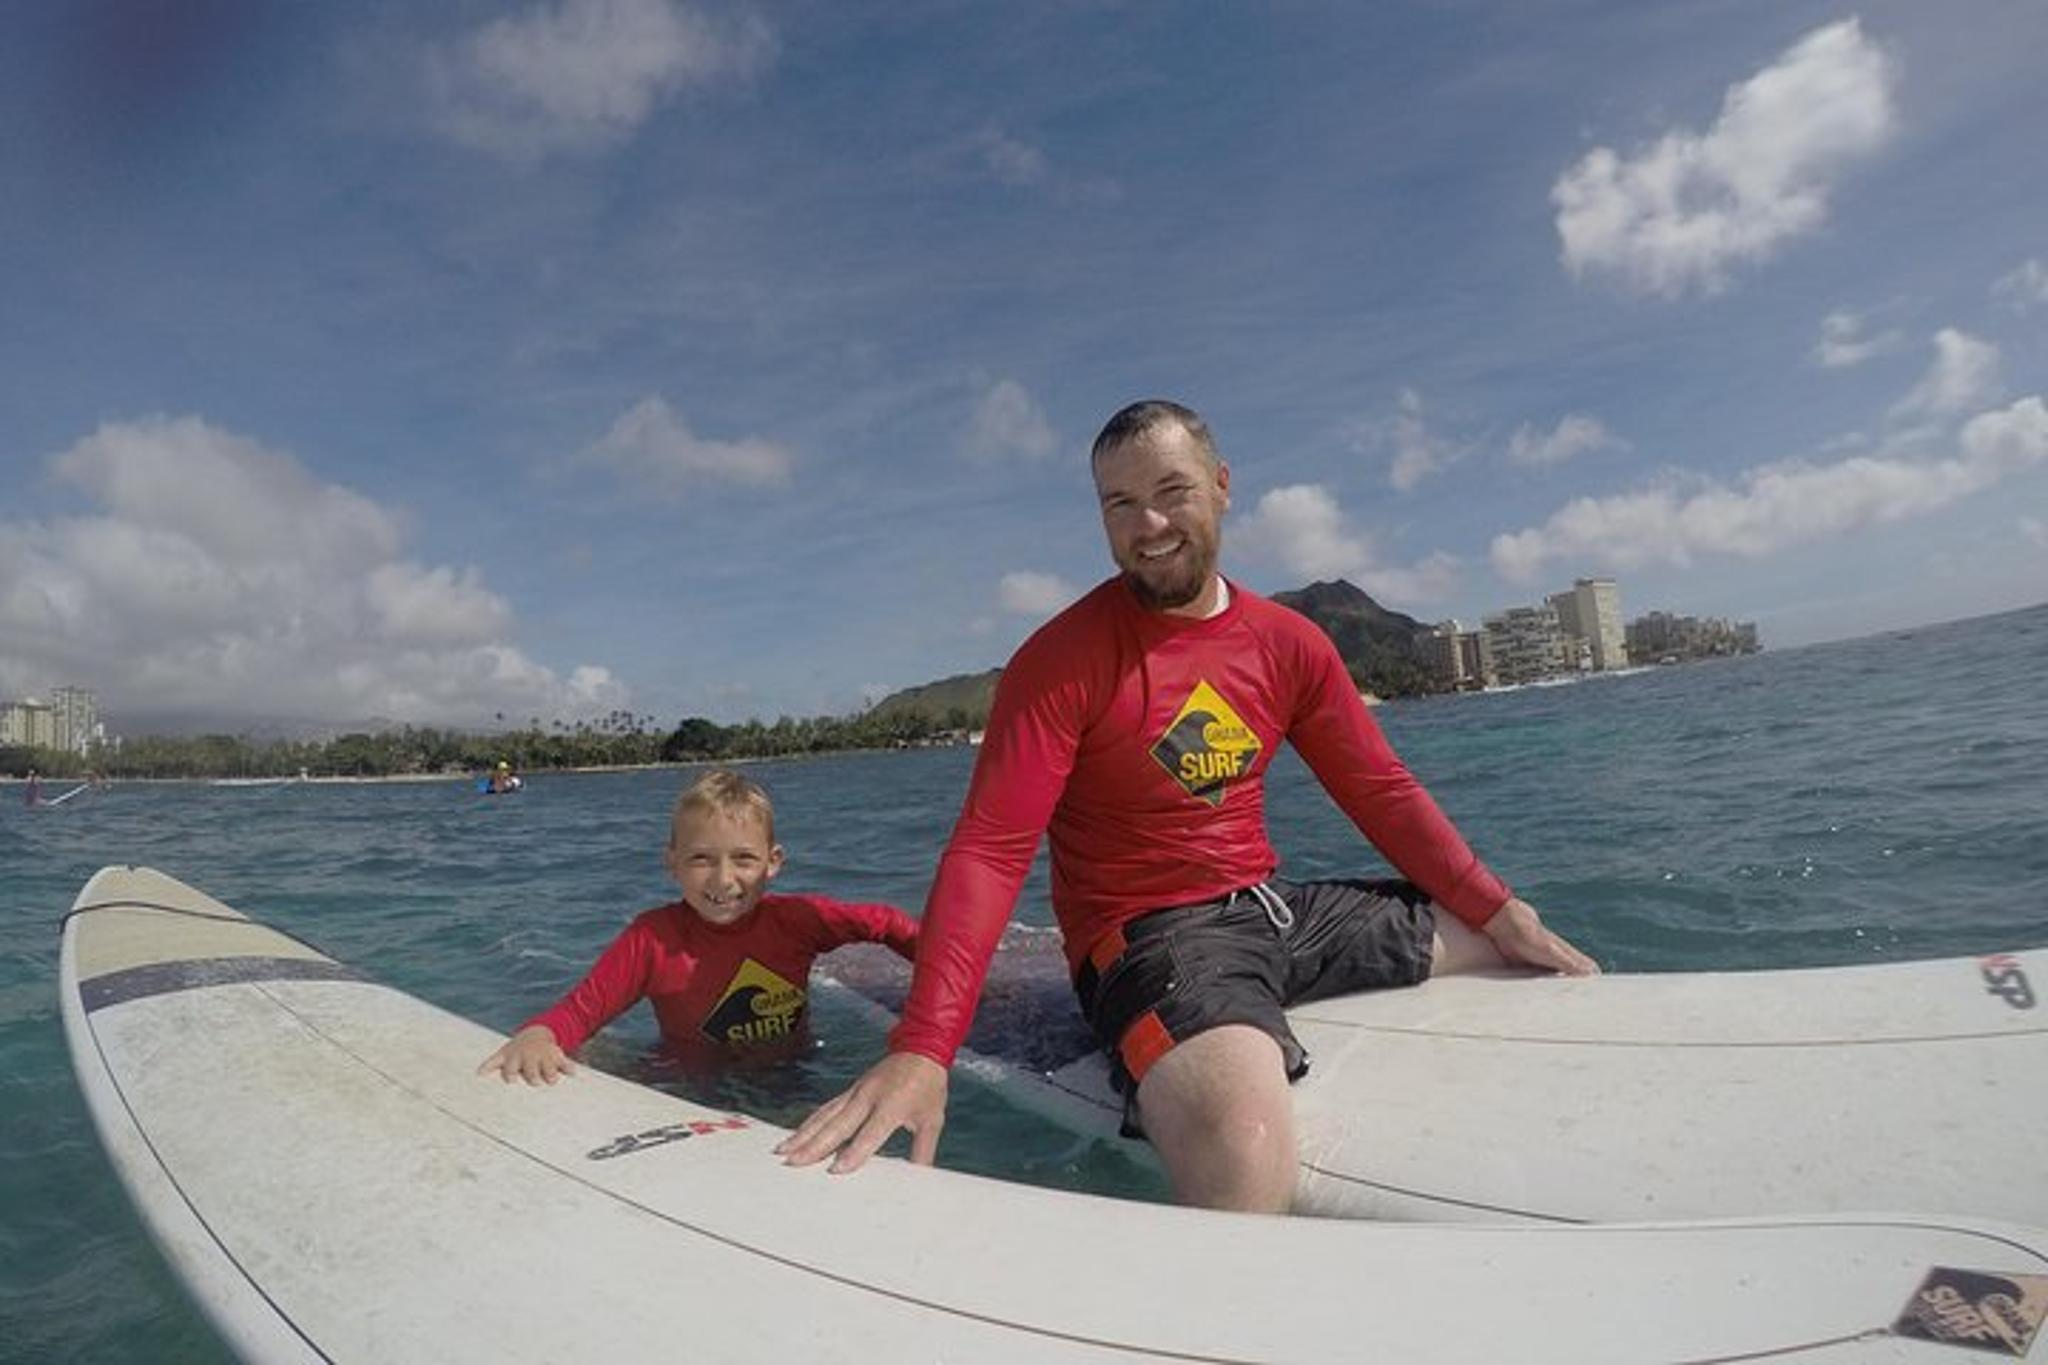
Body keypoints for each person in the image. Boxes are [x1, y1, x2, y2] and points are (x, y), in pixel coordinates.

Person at [778, 399, 1598, 1211]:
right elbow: (991, 850)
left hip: (1275, 913)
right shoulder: (1062, 660)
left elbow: (1381, 791)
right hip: (1146, 940)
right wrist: (924, 1046)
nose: (1150, 523)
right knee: (1246, 1146)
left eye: (1172, 490)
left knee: (1495, 942)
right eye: (1120, 504)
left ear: (1223, 484)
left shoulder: (1289, 644)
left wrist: (1497, 907)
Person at [479, 769, 920, 1082]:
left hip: (796, 1070)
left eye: (743, 859)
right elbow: (581, 1010)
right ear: (672, 863)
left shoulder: (798, 920)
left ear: (773, 863)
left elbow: (888, 925)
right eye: (701, 859)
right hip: (689, 1084)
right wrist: (540, 1034)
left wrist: (953, 975)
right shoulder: (653, 940)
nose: (723, 879)